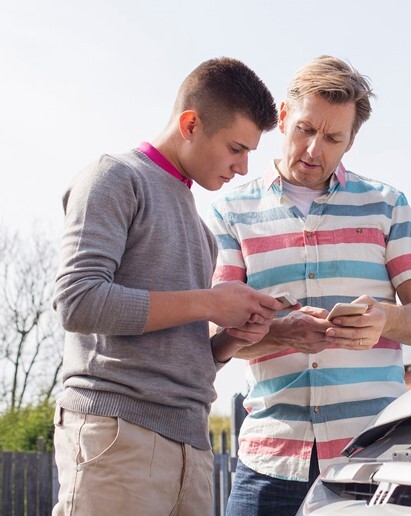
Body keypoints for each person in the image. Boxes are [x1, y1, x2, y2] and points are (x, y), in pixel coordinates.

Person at [208, 55, 411, 515]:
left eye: (333, 137)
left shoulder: (387, 205)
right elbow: (218, 338)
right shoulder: (230, 212)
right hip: (269, 462)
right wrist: (281, 333)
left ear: (351, 141)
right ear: (281, 118)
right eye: (304, 130)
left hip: (372, 461)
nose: (314, 149)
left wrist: (386, 319)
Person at [52, 57, 288, 515]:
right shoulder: (114, 177)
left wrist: (229, 340)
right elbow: (78, 301)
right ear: (191, 123)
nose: (242, 167)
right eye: (236, 148)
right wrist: (210, 302)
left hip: (193, 446)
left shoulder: (202, 232)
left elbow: (179, 348)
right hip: (118, 435)